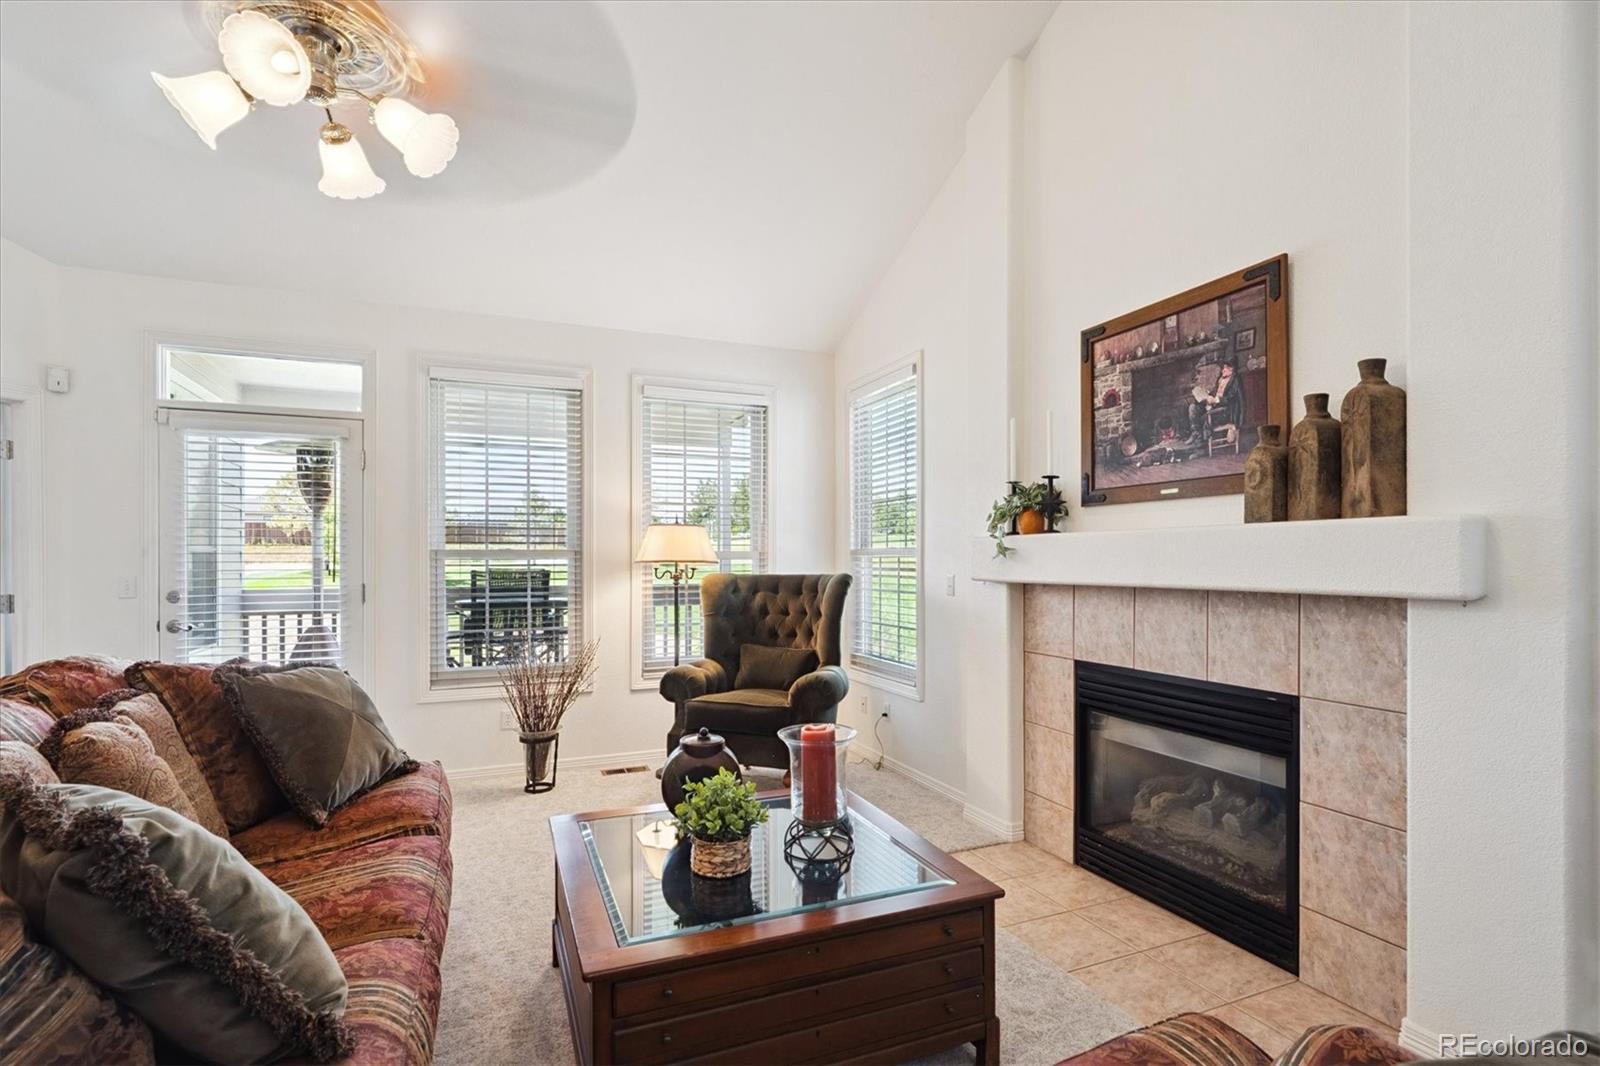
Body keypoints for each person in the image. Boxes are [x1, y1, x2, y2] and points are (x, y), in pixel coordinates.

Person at [1187, 357, 1242, 444]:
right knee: (1192, 407)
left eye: (1225, 368)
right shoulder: (1221, 379)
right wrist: (1207, 394)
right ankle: (1196, 433)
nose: (1222, 370)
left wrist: (1216, 400)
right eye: (1223, 367)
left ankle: (1200, 440)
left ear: (1232, 369)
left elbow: (1231, 398)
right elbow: (1215, 392)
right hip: (1213, 407)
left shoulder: (1235, 380)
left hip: (1224, 411)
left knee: (1204, 417)